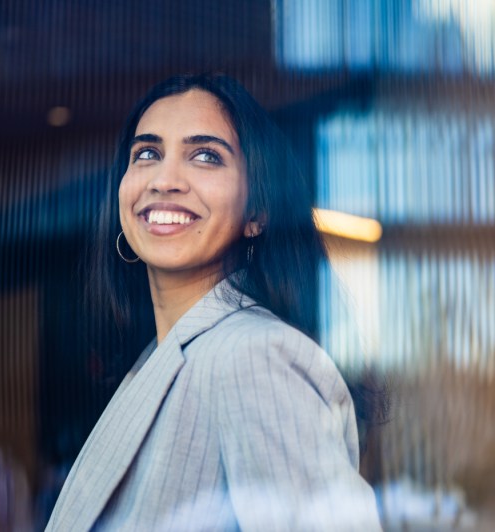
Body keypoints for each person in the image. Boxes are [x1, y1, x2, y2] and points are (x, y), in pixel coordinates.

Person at [47, 74, 382, 531]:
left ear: (257, 213)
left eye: (206, 156)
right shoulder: (159, 362)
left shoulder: (253, 355)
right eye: (147, 153)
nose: (165, 180)